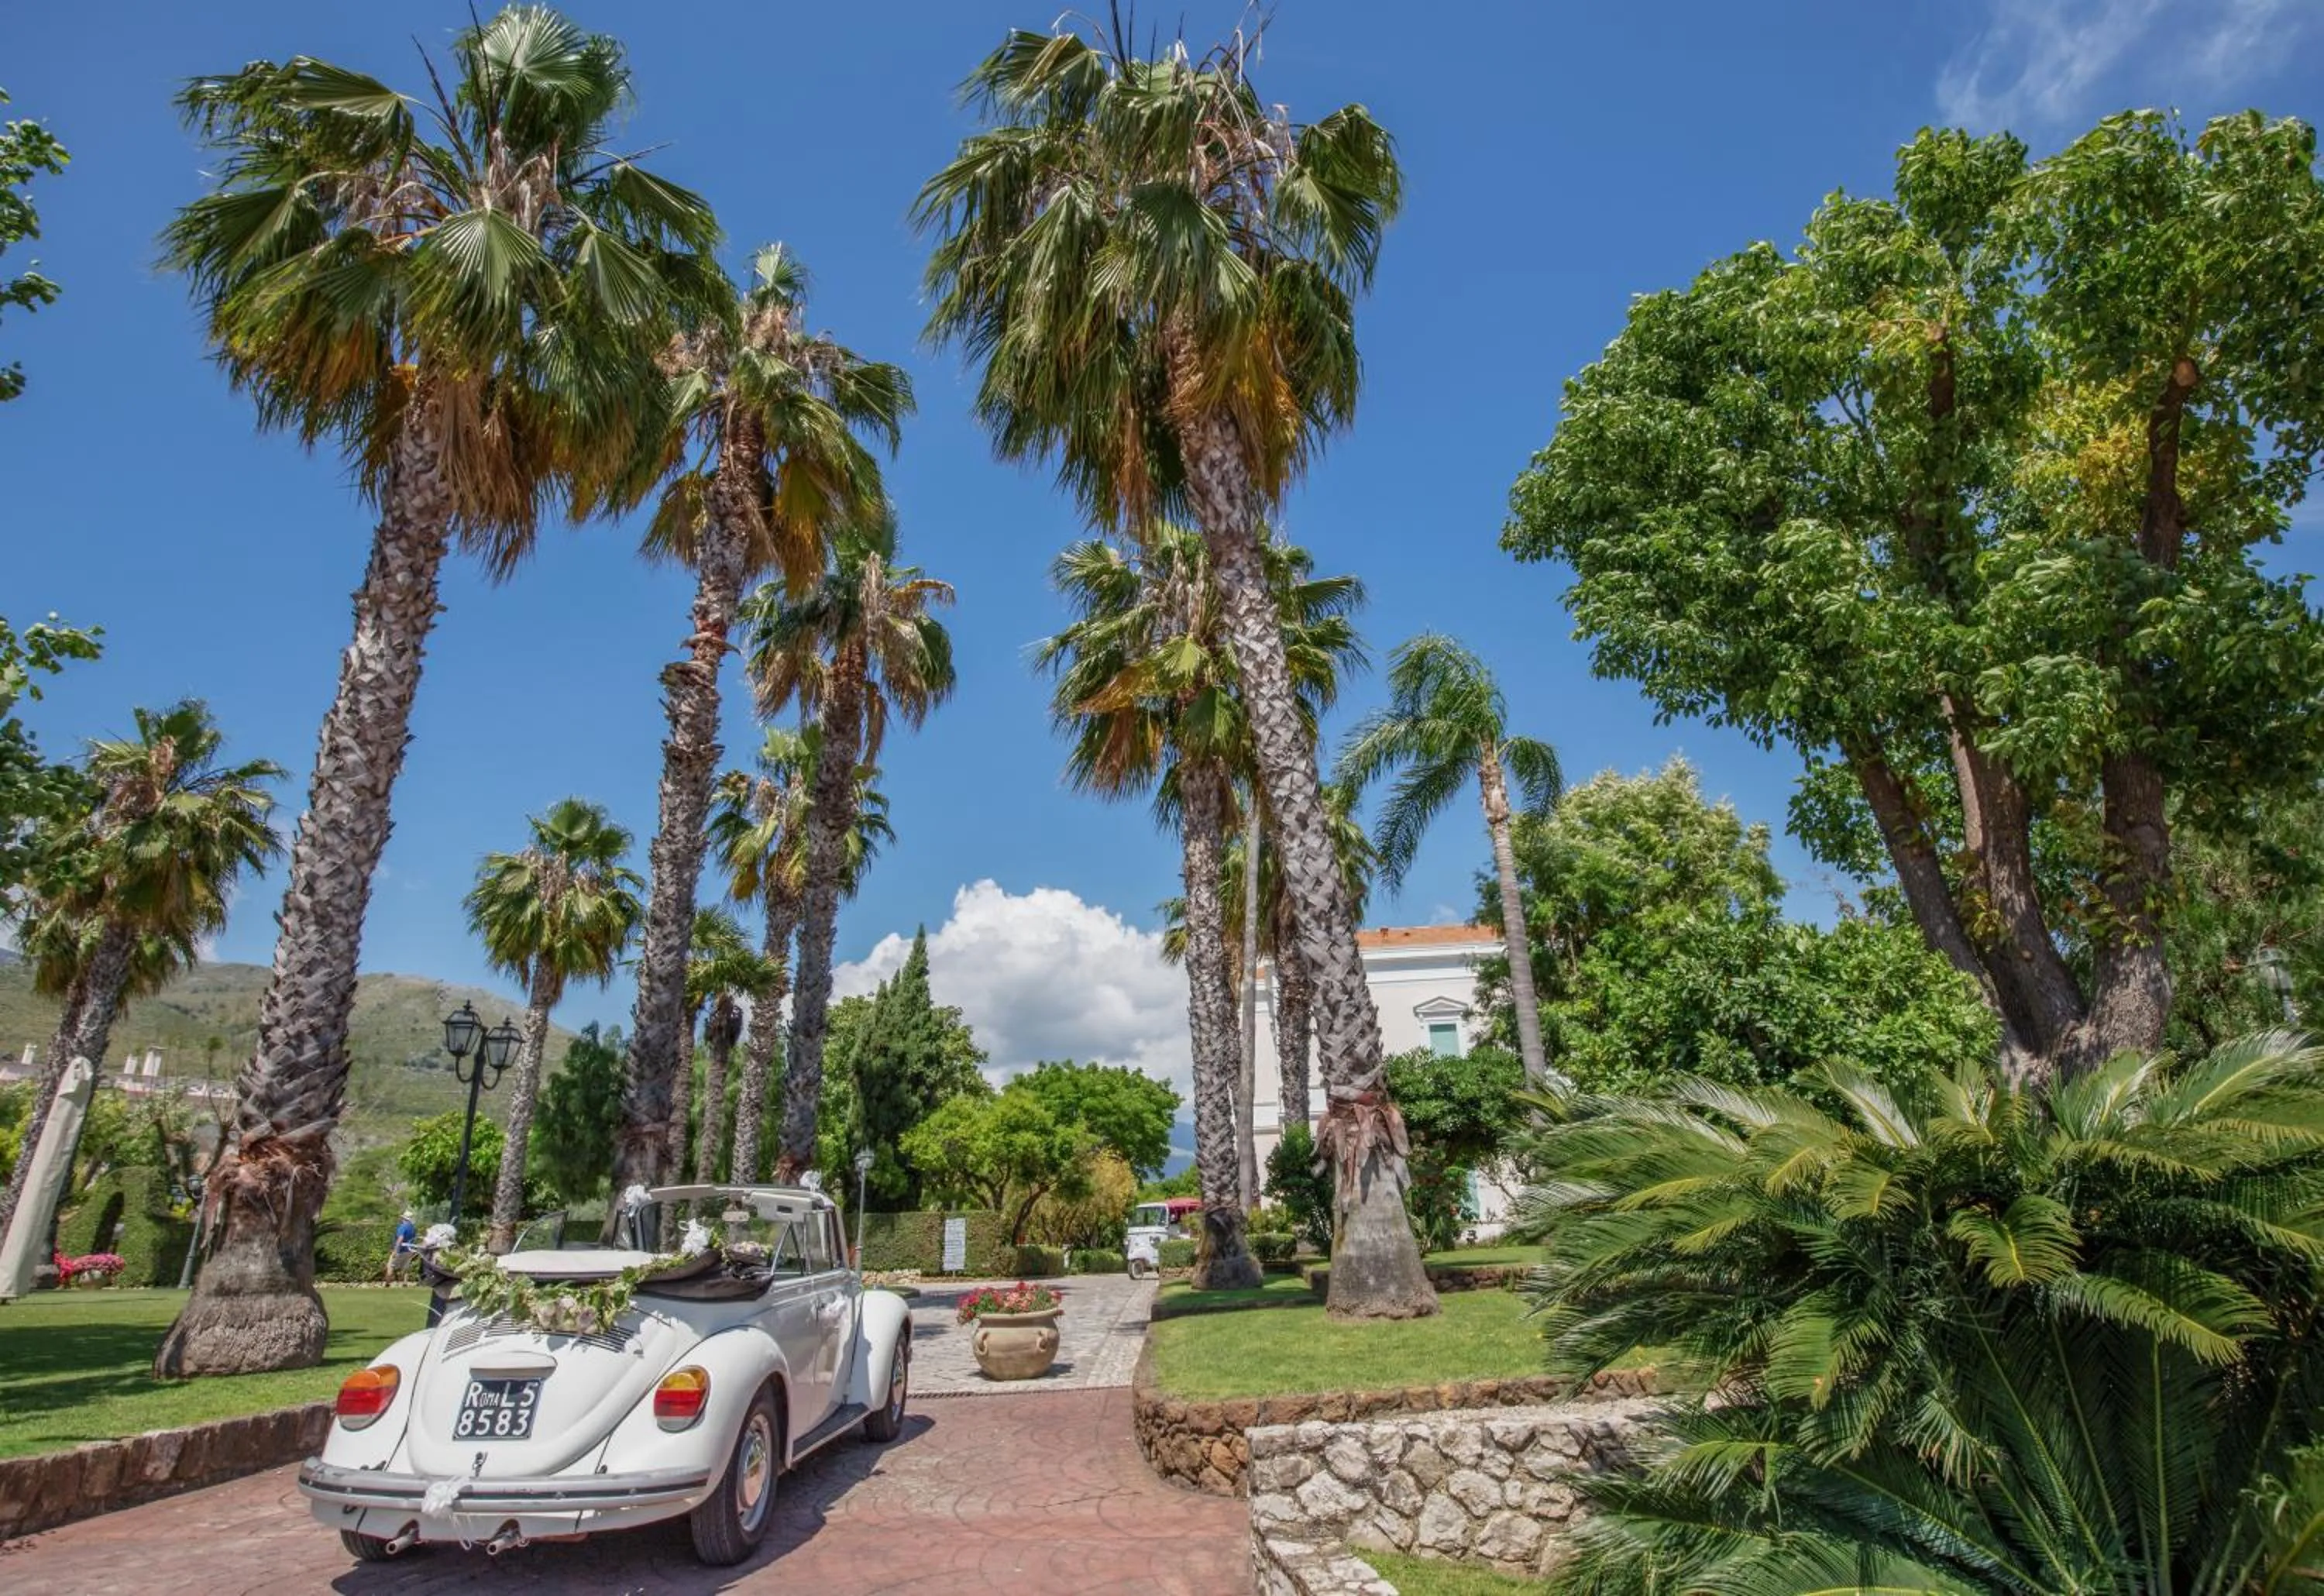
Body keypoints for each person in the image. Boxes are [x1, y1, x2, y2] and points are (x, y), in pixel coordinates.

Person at [386, 1210, 419, 1282]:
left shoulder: (402, 1227)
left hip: (401, 1250)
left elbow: (400, 1238)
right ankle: (405, 1283)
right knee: (406, 1266)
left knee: (391, 1265)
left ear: (404, 1219)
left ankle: (387, 1283)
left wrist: (395, 1250)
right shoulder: (413, 1228)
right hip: (409, 1250)